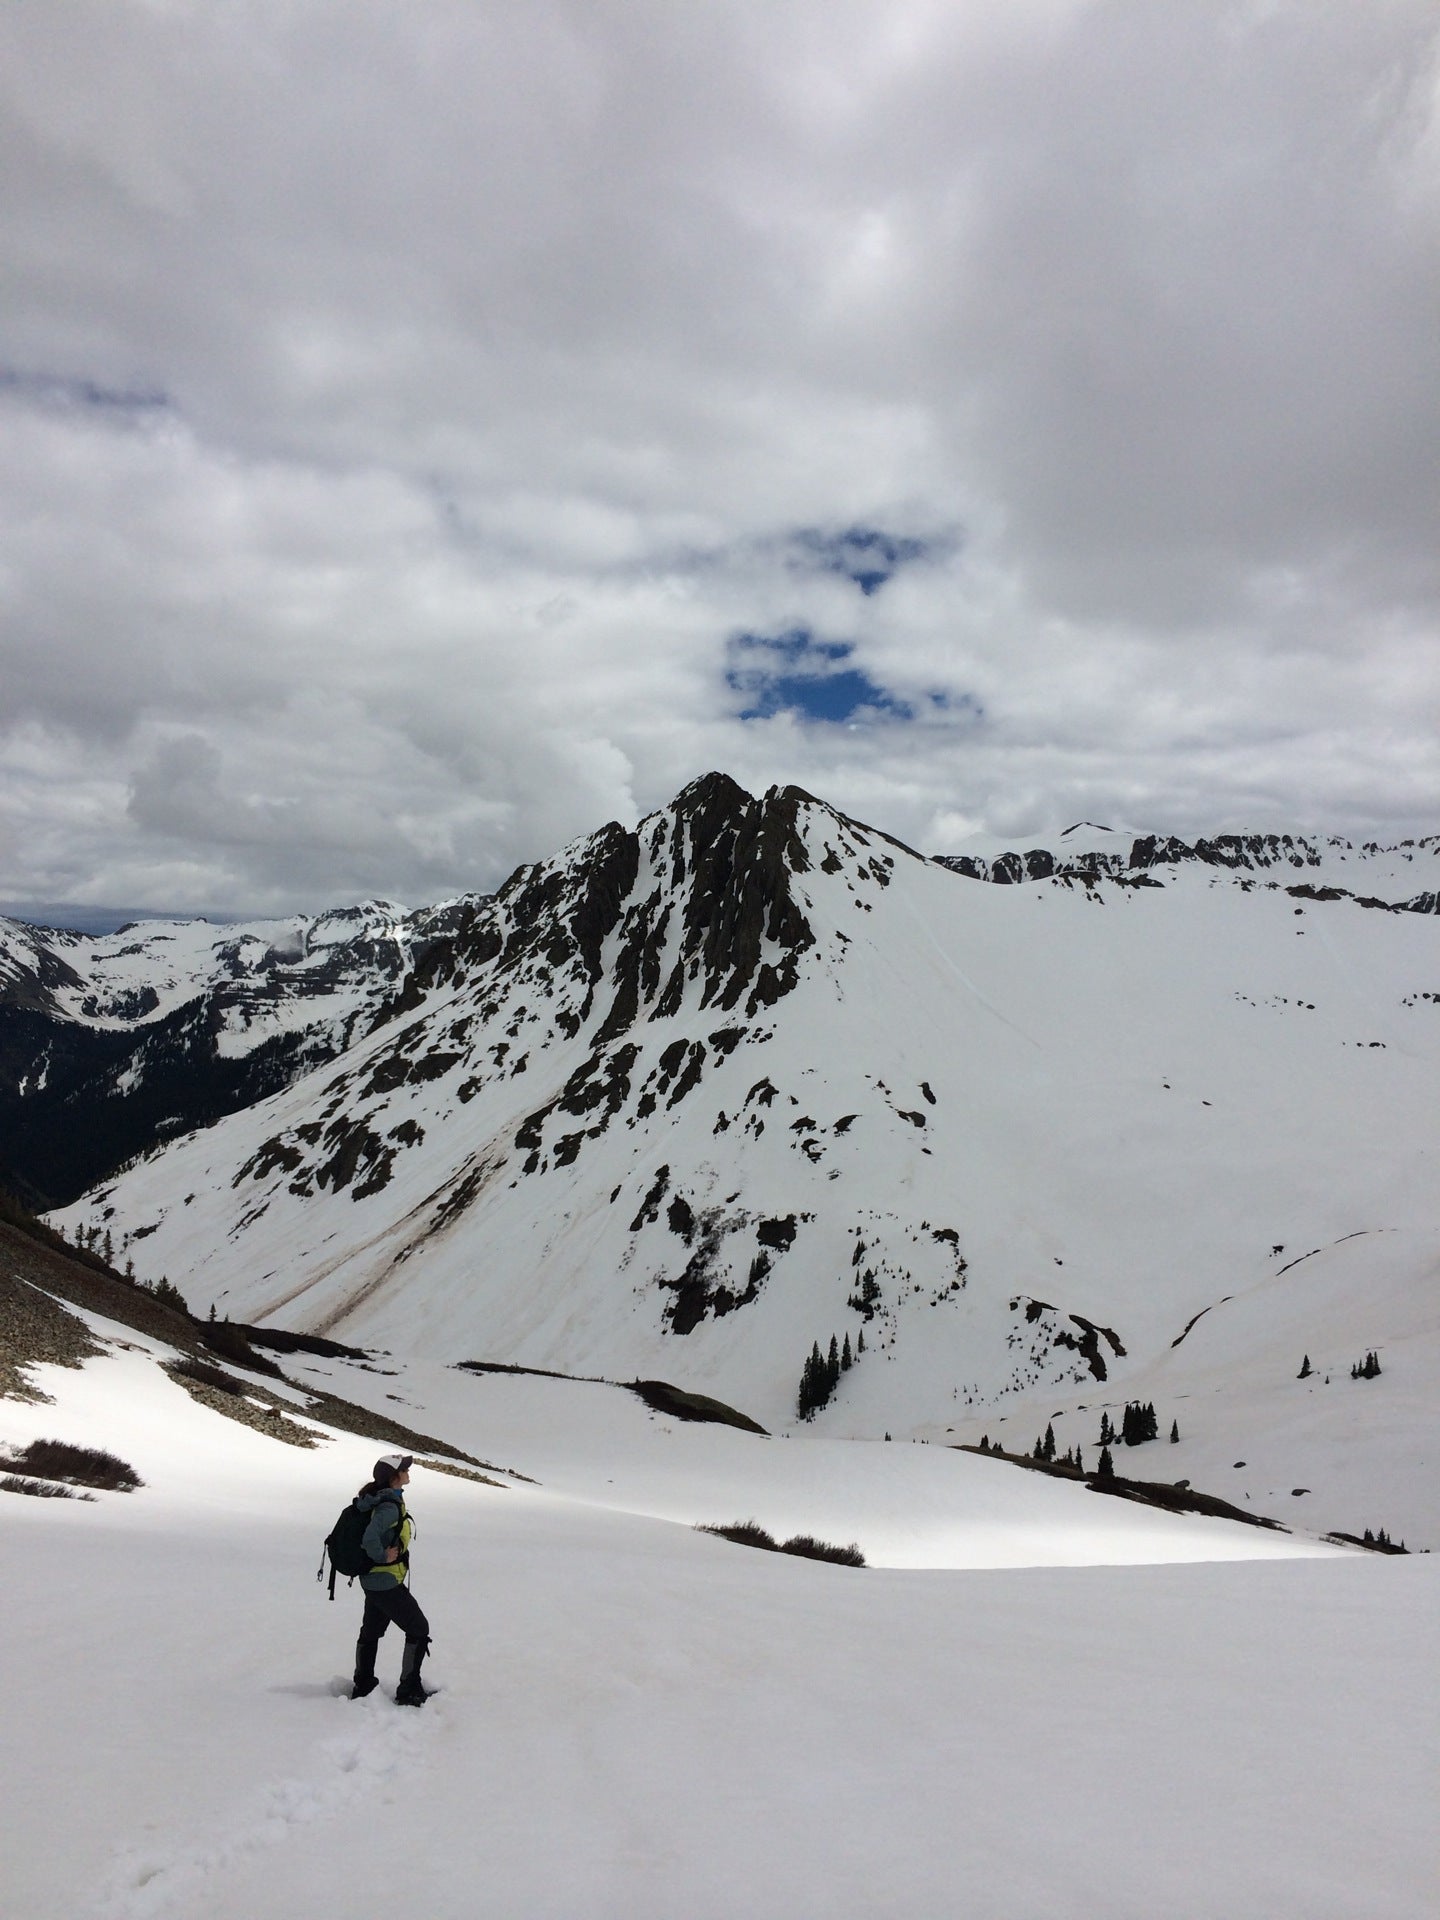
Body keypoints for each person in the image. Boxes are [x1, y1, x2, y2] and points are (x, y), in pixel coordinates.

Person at [351, 1453, 434, 1706]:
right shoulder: (388, 1507)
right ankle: (409, 1690)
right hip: (384, 1581)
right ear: (393, 1477)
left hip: (375, 1581)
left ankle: (363, 1684)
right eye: (404, 1469)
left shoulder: (387, 1500)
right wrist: (383, 1556)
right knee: (419, 1628)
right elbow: (369, 1538)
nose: (408, 1472)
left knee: (372, 1631)